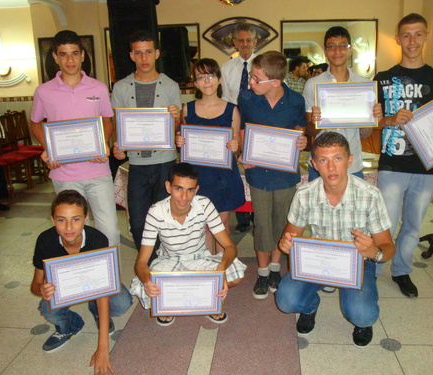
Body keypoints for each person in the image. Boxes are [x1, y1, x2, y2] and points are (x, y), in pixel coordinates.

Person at [275, 132, 395, 347]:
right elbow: (291, 235)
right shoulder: (304, 194)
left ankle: (362, 322)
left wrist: (374, 252)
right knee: (286, 300)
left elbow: (388, 247)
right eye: (323, 160)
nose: (331, 167)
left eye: (337, 158)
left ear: (350, 160)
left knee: (363, 314)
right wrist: (287, 245)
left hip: (357, 261)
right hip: (318, 260)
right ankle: (310, 307)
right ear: (314, 164)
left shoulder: (370, 194)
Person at [374, 13, 433, 298]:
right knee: (384, 222)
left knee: (412, 225)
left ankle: (402, 270)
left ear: (426, 37)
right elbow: (375, 122)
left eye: (418, 34)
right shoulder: (382, 79)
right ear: (397, 39)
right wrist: (391, 119)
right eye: (406, 35)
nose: (412, 41)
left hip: (426, 166)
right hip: (393, 163)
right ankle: (374, 269)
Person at [30, 30, 121, 248]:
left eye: (74, 53)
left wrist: (104, 144)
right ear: (55, 57)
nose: (70, 60)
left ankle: (111, 279)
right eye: (63, 54)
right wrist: (48, 148)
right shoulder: (43, 91)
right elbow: (35, 123)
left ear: (82, 55)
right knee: (71, 233)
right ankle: (78, 279)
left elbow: (107, 119)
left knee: (109, 230)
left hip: (98, 171)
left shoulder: (97, 87)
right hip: (64, 174)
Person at [130, 162, 246, 325]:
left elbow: (230, 247)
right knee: (144, 287)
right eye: (179, 189)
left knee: (237, 273)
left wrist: (221, 269)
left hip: (199, 257)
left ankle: (195, 298)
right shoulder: (156, 211)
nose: (184, 197)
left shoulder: (204, 204)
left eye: (190, 190)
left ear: (196, 190)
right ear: (168, 187)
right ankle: (199, 297)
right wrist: (147, 281)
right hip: (169, 260)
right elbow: (141, 262)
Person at [30, 190, 132, 373]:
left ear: (86, 219)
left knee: (122, 301)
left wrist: (103, 347)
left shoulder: (98, 239)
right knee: (48, 308)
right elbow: (35, 284)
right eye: (61, 220)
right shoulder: (45, 240)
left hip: (94, 286)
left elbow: (104, 291)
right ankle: (70, 325)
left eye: (76, 219)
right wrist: (42, 290)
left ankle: (97, 313)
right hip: (64, 290)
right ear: (52, 220)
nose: (68, 227)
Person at [238, 51, 307, 299]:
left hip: (285, 174)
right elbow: (244, 130)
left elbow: (300, 132)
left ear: (275, 82)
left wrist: (302, 142)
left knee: (282, 223)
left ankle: (276, 267)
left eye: (256, 79)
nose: (251, 83)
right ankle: (263, 271)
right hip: (258, 175)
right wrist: (244, 153)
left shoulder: (296, 101)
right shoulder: (247, 98)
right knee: (262, 224)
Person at [112, 30, 182, 251]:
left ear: (157, 53)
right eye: (138, 53)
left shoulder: (170, 86)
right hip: (137, 165)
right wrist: (118, 146)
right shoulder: (121, 87)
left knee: (165, 219)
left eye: (148, 52)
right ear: (131, 55)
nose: (144, 58)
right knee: (138, 221)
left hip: (165, 162)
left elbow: (178, 130)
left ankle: (163, 263)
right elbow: (118, 125)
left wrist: (177, 118)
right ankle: (148, 265)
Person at [175, 58, 245, 253]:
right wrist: (179, 142)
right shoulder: (188, 108)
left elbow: (237, 146)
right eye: (201, 77)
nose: (207, 81)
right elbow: (184, 141)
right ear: (195, 83)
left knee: (222, 223)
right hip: (198, 176)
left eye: (211, 75)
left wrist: (235, 145)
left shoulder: (232, 109)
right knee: (203, 223)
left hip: (223, 176)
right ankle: (209, 268)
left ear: (219, 79)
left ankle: (223, 266)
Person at [304, 26, 382, 182]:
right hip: (321, 163)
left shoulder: (364, 85)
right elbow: (311, 131)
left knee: (352, 207)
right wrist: (315, 121)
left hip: (351, 164)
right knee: (318, 206)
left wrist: (372, 118)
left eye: (342, 46)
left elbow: (365, 133)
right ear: (325, 52)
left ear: (350, 50)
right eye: (331, 46)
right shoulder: (313, 84)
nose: (337, 51)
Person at [221, 22, 258, 234]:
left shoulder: (263, 64)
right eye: (240, 40)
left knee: (255, 165)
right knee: (236, 169)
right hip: (236, 122)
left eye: (248, 40)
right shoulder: (226, 68)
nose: (244, 44)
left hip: (257, 122)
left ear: (255, 42)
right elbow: (227, 99)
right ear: (235, 42)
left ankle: (257, 214)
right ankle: (242, 215)